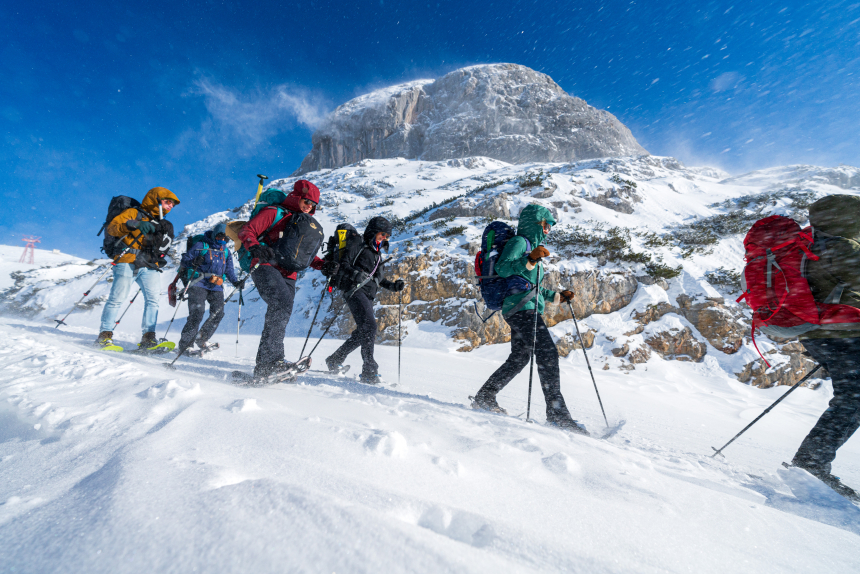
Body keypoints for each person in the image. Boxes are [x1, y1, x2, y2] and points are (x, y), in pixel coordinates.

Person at [470, 204, 581, 432]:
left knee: (520, 357)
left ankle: (485, 396)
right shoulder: (520, 242)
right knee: (547, 353)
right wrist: (529, 258)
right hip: (521, 309)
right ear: (535, 223)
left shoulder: (531, 247)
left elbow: (529, 286)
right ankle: (557, 414)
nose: (548, 230)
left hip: (523, 307)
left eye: (550, 227)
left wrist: (557, 297)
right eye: (546, 225)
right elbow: (503, 269)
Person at [789, 194, 860, 500]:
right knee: (853, 401)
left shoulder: (807, 244)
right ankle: (810, 463)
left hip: (816, 333)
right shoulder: (845, 247)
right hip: (844, 333)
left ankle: (811, 461)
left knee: (852, 399)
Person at [238, 180, 325, 378]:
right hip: (265, 265)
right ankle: (271, 362)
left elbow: (304, 254)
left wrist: (324, 265)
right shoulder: (274, 212)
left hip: (289, 274)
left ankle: (266, 365)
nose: (309, 206)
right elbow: (246, 231)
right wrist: (255, 247)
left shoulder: (304, 224)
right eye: (306, 201)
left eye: (313, 204)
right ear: (297, 197)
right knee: (281, 304)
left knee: (281, 312)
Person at [324, 216, 406, 384]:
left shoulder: (377, 254)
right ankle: (369, 370)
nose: (385, 238)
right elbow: (344, 264)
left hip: (367, 294)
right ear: (373, 232)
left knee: (363, 332)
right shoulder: (358, 243)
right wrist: (355, 274)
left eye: (387, 236)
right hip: (354, 290)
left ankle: (335, 359)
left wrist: (393, 286)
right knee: (369, 326)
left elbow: (378, 279)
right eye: (382, 234)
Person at [96, 187, 180, 351]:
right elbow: (113, 228)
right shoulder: (134, 213)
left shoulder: (161, 223)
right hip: (127, 260)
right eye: (168, 201)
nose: (171, 206)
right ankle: (104, 336)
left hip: (149, 264)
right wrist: (134, 224)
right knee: (117, 298)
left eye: (173, 204)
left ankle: (148, 339)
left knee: (153, 301)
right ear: (156, 199)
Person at [176, 223, 244, 354]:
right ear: (214, 235)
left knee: (218, 313)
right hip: (198, 283)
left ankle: (202, 338)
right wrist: (193, 262)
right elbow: (185, 260)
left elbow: (229, 270)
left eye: (225, 238)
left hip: (216, 285)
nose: (222, 240)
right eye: (220, 237)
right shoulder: (201, 245)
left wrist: (236, 282)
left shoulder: (226, 251)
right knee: (197, 313)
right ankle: (185, 345)